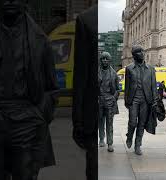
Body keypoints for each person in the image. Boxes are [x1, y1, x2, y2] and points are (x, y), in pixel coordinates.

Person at [0, 0, 58, 179]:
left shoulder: (39, 39)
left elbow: (51, 87)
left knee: (25, 174)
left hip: (26, 119)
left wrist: (39, 115)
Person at [72, 5, 98, 180]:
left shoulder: (86, 19)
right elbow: (81, 75)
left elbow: (80, 75)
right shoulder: (86, 19)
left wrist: (78, 121)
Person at [124, 45, 158, 155]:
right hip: (133, 99)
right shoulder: (129, 68)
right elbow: (127, 86)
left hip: (146, 100)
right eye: (139, 52)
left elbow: (153, 86)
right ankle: (129, 136)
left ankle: (137, 145)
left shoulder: (151, 69)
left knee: (142, 123)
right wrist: (126, 101)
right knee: (133, 122)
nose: (142, 53)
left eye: (142, 51)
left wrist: (155, 100)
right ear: (134, 55)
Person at [98, 52, 119, 152]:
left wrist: (114, 98)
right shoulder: (97, 72)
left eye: (106, 59)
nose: (105, 60)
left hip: (110, 100)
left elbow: (118, 89)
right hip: (100, 99)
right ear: (100, 60)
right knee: (100, 121)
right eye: (103, 59)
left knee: (109, 123)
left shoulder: (114, 73)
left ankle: (110, 143)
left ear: (109, 60)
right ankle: (101, 139)